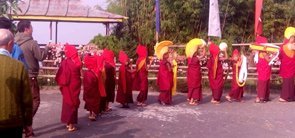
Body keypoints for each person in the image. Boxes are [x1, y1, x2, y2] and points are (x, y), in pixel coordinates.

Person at [15, 20, 50, 135]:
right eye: (31, 27)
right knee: (35, 101)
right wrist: (47, 48)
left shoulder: (14, 41)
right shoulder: (32, 43)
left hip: (18, 75)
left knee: (21, 102)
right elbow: (40, 57)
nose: (32, 29)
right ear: (26, 29)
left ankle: (25, 126)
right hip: (30, 76)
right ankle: (25, 123)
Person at [0, 29, 32, 138]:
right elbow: (26, 99)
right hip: (13, 122)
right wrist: (28, 123)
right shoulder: (19, 66)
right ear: (10, 43)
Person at [55, 44, 82, 132]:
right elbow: (79, 69)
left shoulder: (65, 62)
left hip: (67, 85)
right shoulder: (76, 61)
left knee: (67, 102)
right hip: (74, 84)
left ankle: (68, 123)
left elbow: (60, 74)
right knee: (73, 103)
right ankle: (71, 125)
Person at [186, 39, 206, 105]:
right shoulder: (196, 58)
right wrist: (204, 48)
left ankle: (190, 99)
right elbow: (203, 56)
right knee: (195, 87)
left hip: (190, 75)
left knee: (192, 86)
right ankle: (192, 101)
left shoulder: (189, 58)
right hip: (195, 75)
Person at [279, 27, 295, 102]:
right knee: (289, 81)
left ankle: (285, 96)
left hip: (286, 65)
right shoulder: (291, 45)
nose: (293, 39)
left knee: (287, 81)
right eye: (292, 37)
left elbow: (280, 56)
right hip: (290, 66)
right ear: (289, 38)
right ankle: (287, 97)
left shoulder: (283, 46)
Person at [83, 55, 101, 121]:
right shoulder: (96, 71)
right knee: (94, 101)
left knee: (89, 101)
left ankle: (91, 113)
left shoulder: (86, 73)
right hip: (94, 89)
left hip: (88, 89)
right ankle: (93, 114)